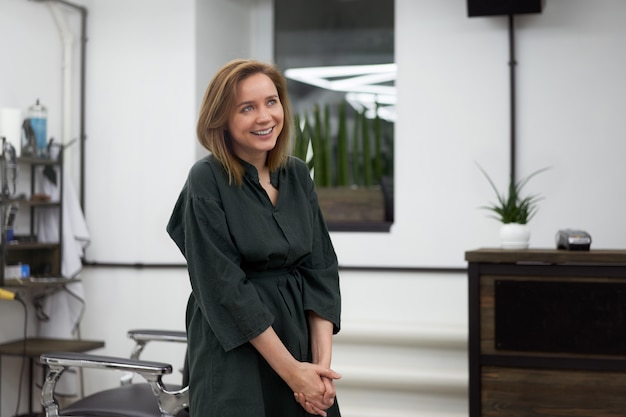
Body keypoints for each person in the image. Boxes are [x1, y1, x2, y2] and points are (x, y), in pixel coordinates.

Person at [166, 59, 342, 417]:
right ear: (222, 120)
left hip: (298, 345)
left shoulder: (296, 174)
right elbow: (225, 288)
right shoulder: (206, 179)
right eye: (247, 108)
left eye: (271, 102)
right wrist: (294, 373)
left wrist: (319, 371)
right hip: (234, 351)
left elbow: (321, 271)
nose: (265, 117)